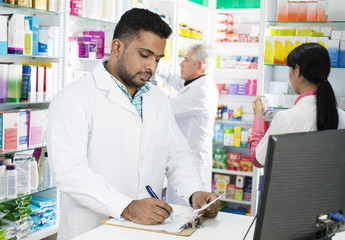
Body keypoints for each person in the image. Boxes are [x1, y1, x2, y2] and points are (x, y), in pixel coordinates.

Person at [47, 8, 219, 240]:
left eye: (157, 59)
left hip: (147, 229)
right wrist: (127, 206)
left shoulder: (157, 99)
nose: (152, 67)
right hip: (92, 229)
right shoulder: (73, 98)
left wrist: (193, 192)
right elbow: (68, 171)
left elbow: (177, 154)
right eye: (145, 55)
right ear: (117, 47)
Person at [249, 43, 345, 168]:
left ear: (297, 70)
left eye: (289, 69)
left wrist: (258, 118)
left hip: (293, 187)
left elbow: (258, 159)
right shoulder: (342, 116)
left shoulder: (287, 118)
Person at [155, 44, 218, 204]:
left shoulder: (202, 91)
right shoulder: (196, 82)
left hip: (192, 164)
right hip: (182, 159)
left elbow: (164, 109)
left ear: (199, 66)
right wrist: (154, 59)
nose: (181, 64)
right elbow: (173, 76)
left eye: (186, 60)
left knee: (187, 213)